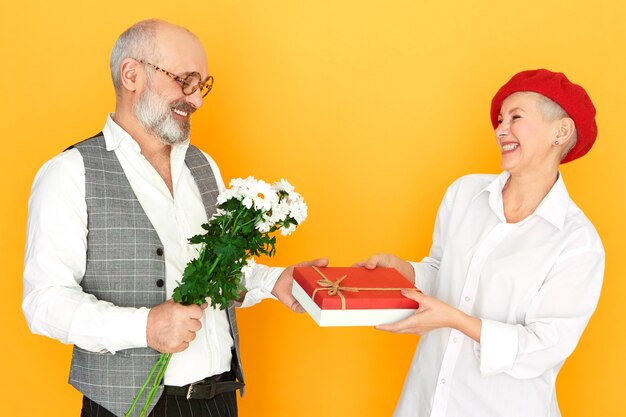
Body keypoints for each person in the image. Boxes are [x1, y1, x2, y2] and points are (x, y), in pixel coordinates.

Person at [22, 19, 323, 417]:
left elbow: (214, 272)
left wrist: (274, 281)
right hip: (131, 407)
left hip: (219, 400)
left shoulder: (202, 166)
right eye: (185, 80)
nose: (196, 99)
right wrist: (144, 328)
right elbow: (43, 302)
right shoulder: (70, 172)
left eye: (202, 86)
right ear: (132, 75)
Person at [356, 69, 604, 417]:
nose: (501, 129)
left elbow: (543, 347)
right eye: (500, 120)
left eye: (516, 117)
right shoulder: (464, 194)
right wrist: (405, 272)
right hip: (425, 402)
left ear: (560, 131)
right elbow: (442, 272)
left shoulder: (577, 241)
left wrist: (454, 320)